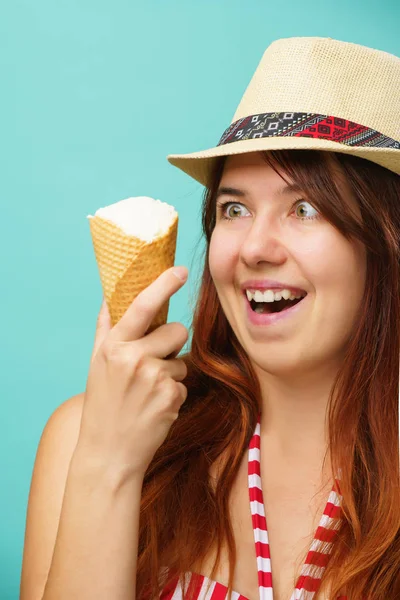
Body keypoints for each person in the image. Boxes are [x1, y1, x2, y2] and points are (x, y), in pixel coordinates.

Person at [20, 36, 400, 600]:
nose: (254, 248)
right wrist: (109, 463)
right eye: (234, 208)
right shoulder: (85, 437)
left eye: (306, 209)